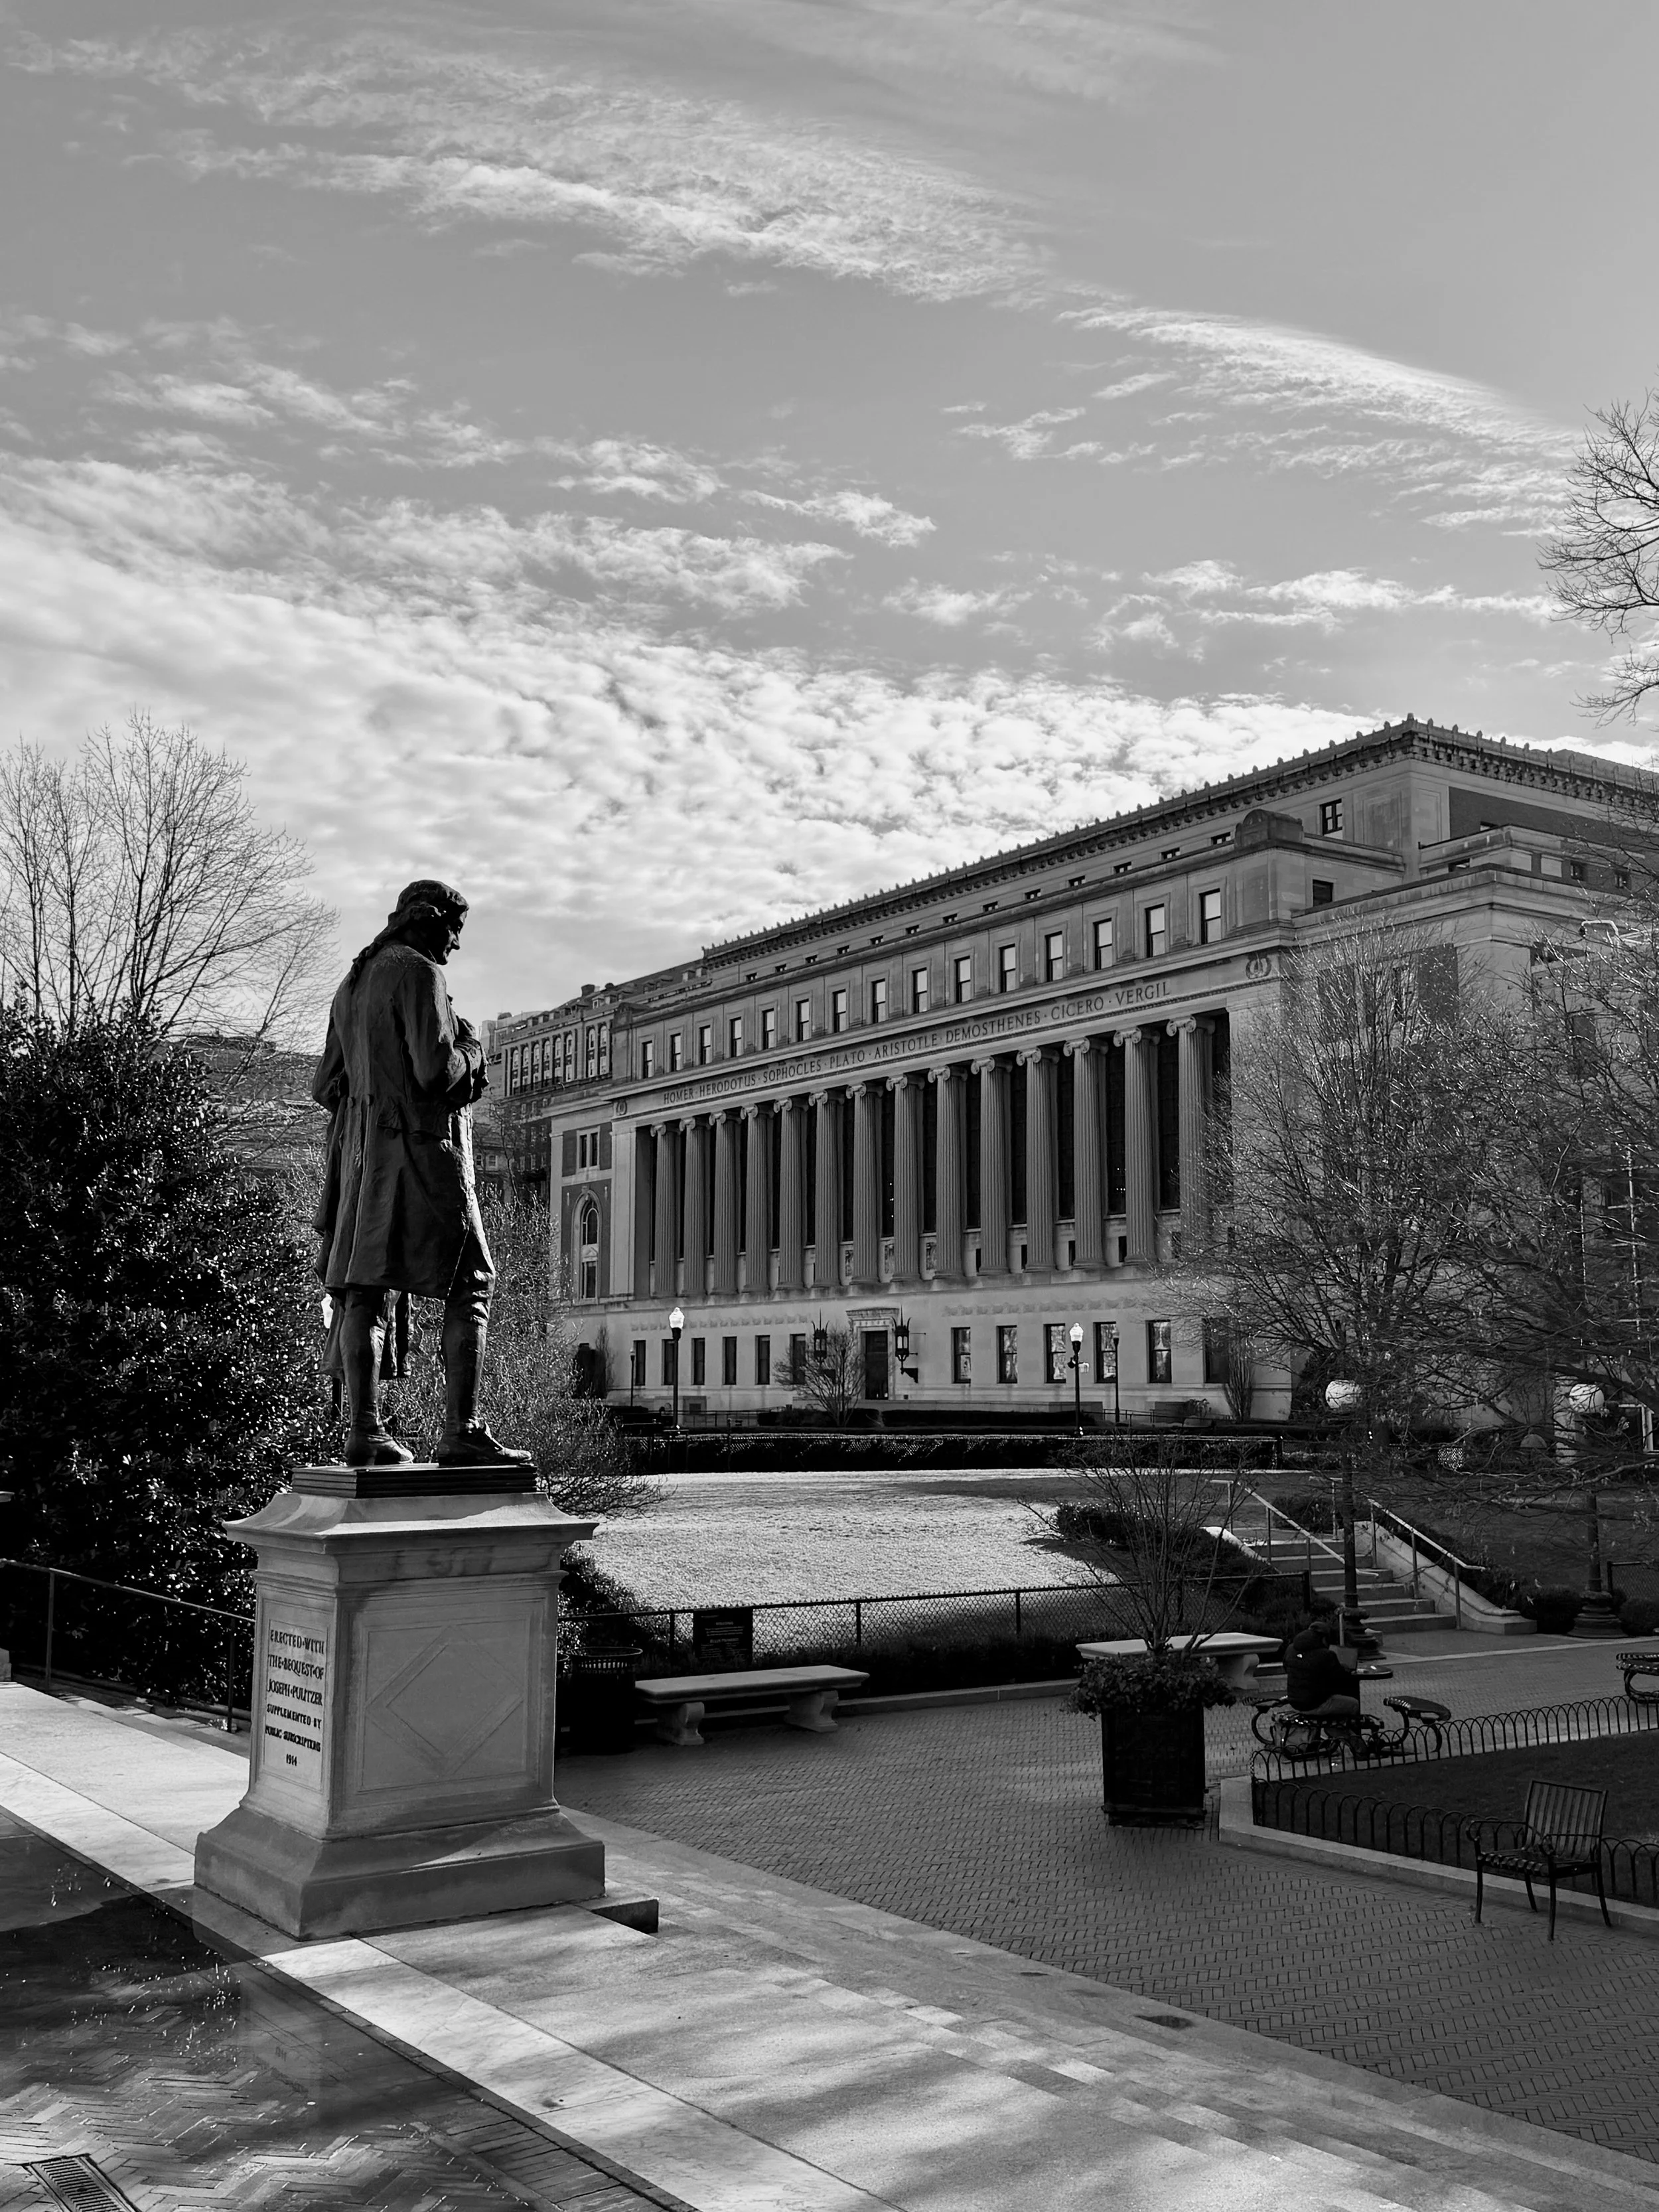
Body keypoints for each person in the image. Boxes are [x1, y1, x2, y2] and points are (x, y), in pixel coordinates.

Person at [312, 879, 530, 1469]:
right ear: (426, 920)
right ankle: (462, 1430)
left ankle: (365, 1431)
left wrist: (368, 1110)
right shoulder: (418, 974)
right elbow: (437, 1071)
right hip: (424, 1156)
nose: (456, 944)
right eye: (454, 928)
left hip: (363, 1164)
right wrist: (474, 1051)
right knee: (473, 1281)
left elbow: (324, 1083)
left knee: (366, 1291)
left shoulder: (350, 985)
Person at [1283, 1619, 1360, 1719]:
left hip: (1295, 1701)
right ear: (1324, 1638)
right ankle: (1342, 1733)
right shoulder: (1326, 1655)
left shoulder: (1290, 1649)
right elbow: (1339, 1679)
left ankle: (1335, 1731)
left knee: (1334, 1701)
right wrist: (1345, 1670)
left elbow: (1286, 1668)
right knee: (1353, 1704)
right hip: (1315, 1703)